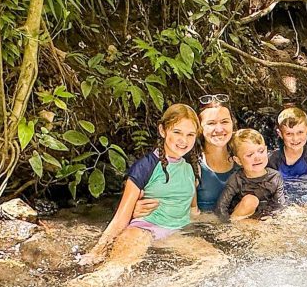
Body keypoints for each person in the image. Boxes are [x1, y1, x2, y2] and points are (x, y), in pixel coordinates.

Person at [79, 103, 203, 273]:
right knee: (111, 272)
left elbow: (193, 210)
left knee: (214, 261)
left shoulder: (190, 168)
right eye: (177, 132)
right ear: (162, 130)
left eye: (190, 134)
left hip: (175, 233)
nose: (184, 140)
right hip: (144, 230)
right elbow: (121, 217)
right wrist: (97, 250)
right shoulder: (146, 167)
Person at [133, 94, 237, 220]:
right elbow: (164, 197)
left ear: (233, 123)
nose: (219, 129)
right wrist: (136, 207)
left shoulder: (247, 156)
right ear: (199, 129)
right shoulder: (188, 164)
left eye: (225, 122)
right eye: (211, 123)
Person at [216, 129, 286, 220]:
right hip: (241, 219)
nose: (257, 157)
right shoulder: (237, 179)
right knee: (251, 201)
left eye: (261, 151)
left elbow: (280, 204)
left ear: (266, 150)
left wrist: (273, 218)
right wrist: (226, 225)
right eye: (249, 155)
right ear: (238, 160)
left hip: (263, 219)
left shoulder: (275, 177)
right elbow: (221, 207)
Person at [268, 106, 307, 179]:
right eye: (289, 134)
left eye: (300, 132)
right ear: (280, 134)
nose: (295, 139)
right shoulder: (272, 160)